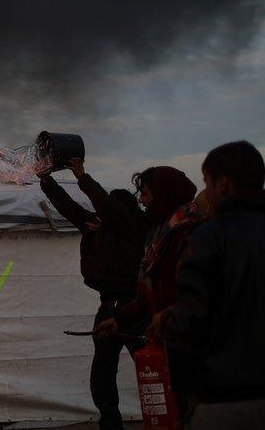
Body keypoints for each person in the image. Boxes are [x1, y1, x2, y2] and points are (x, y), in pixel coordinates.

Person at [152, 141, 265, 429]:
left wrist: (166, 320)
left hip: (228, 403)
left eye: (208, 183)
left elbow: (193, 323)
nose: (206, 193)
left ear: (223, 184)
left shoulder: (207, 240)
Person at [39, 158, 150, 430]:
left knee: (150, 368)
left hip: (134, 307)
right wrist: (46, 180)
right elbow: (68, 208)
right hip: (107, 308)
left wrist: (82, 176)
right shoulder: (97, 226)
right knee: (101, 376)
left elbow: (106, 205)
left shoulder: (134, 226)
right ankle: (111, 424)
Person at [93, 166, 200, 399]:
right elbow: (148, 297)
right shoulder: (159, 236)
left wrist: (81, 176)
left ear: (164, 195)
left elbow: (194, 298)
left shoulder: (189, 235)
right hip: (165, 338)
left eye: (146, 194)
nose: (142, 201)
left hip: (188, 345)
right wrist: (118, 319)